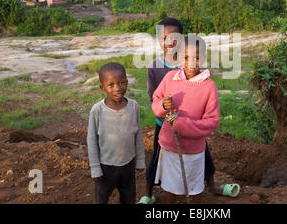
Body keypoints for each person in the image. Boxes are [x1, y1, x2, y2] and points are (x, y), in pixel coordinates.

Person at [138, 18, 221, 205]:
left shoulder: (201, 79)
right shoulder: (161, 70)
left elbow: (209, 116)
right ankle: (149, 191)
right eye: (164, 38)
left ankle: (212, 185)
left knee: (200, 163)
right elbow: (155, 99)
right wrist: (164, 108)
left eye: (174, 38)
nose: (169, 42)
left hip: (193, 136)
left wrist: (184, 125)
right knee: (160, 164)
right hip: (166, 130)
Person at [87, 62, 145, 204]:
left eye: (122, 83)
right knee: (101, 199)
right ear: (102, 87)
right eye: (111, 85)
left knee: (129, 196)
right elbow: (92, 140)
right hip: (105, 166)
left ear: (127, 81)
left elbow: (138, 135)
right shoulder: (97, 111)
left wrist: (140, 160)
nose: (118, 88)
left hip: (128, 164)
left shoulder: (133, 106)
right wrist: (95, 168)